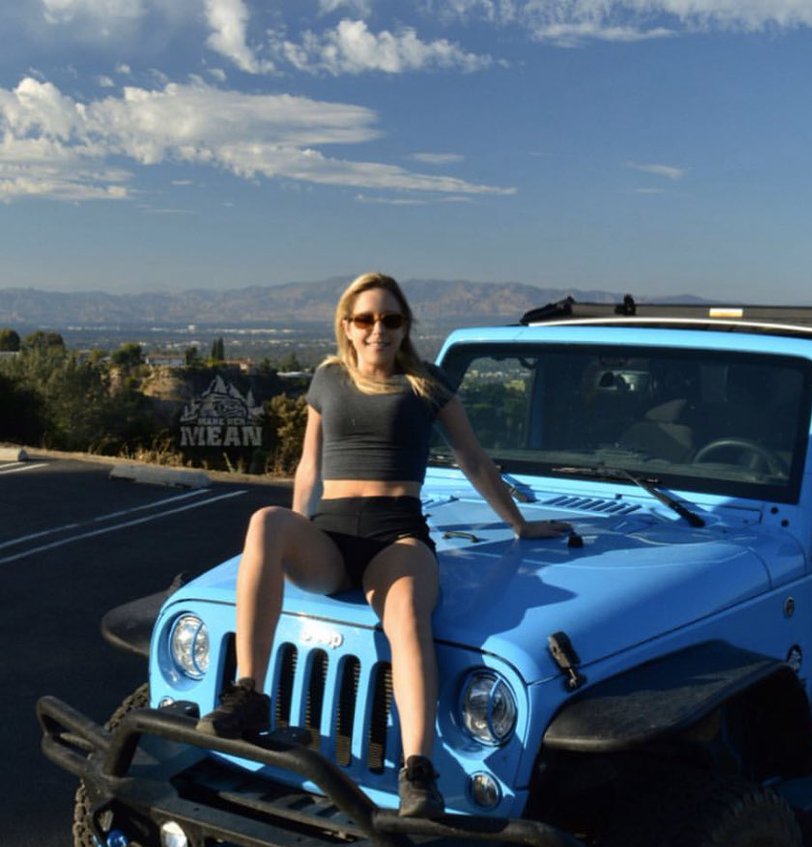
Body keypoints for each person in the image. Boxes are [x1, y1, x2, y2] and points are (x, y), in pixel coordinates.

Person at [197, 272, 569, 816]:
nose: (379, 329)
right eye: (366, 319)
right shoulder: (326, 379)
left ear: (404, 327)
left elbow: (474, 461)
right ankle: (248, 693)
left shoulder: (427, 383)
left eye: (391, 319)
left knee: (407, 618)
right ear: (346, 327)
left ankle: (418, 772)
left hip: (397, 536)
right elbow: (308, 465)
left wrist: (519, 524)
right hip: (330, 534)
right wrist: (291, 537)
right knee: (265, 523)